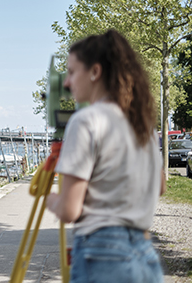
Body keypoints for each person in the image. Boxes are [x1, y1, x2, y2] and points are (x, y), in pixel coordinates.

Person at [46, 29, 166, 283]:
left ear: (95, 72)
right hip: (145, 255)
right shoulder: (143, 123)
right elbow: (161, 186)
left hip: (103, 254)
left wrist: (52, 200)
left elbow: (69, 210)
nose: (66, 83)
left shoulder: (86, 120)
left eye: (71, 72)